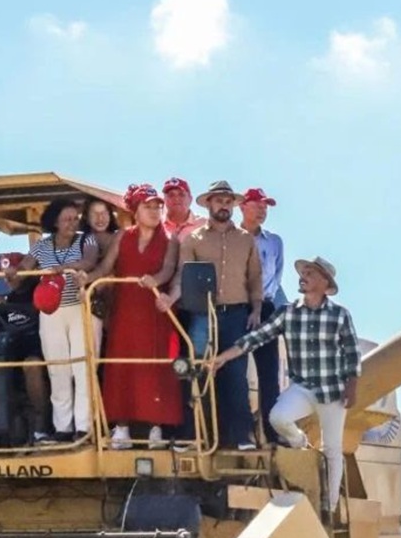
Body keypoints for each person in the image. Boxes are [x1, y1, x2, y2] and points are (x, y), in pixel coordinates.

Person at [212, 257, 360, 509]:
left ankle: (330, 505)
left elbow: (352, 352)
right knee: (277, 417)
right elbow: (255, 338)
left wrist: (352, 385)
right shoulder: (288, 313)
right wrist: (223, 357)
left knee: (333, 449)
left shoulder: (339, 315)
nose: (303, 276)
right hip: (302, 388)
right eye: (303, 272)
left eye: (310, 273)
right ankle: (300, 442)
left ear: (325, 283)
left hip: (332, 390)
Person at [159, 181, 262, 450]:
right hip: (202, 313)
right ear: (209, 204)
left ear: (233, 205)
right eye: (219, 201)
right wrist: (171, 297)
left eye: (228, 202)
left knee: (236, 374)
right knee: (196, 371)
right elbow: (182, 274)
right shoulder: (194, 240)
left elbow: (254, 278)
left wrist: (257, 309)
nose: (224, 206)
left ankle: (241, 436)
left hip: (237, 313)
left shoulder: (245, 239)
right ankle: (192, 434)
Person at [83, 184, 182, 450]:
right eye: (148, 206)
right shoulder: (122, 237)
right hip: (125, 310)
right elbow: (105, 268)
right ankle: (122, 427)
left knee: (156, 366)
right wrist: (87, 279)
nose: (155, 210)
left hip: (154, 310)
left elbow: (169, 269)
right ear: (135, 211)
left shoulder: (171, 239)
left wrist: (156, 280)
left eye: (157, 206)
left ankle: (155, 428)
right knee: (121, 367)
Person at [5, 197, 100, 443]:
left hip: (79, 308)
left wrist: (66, 267)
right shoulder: (41, 246)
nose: (72, 223)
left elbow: (90, 261)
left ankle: (83, 426)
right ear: (54, 222)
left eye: (75, 218)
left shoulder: (85, 240)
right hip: (51, 313)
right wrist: (13, 276)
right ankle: (62, 427)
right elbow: (25, 270)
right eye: (67, 219)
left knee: (82, 368)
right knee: (58, 369)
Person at [0, 271, 49, 443]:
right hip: (6, 348)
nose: (10, 279)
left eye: (14, 274)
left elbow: (36, 310)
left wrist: (8, 306)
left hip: (32, 346)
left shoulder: (38, 294)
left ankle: (41, 425)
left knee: (32, 365)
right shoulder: (2, 297)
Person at [239, 186, 286, 445]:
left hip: (265, 307)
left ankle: (271, 430)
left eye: (265, 206)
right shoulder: (231, 237)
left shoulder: (275, 241)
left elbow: (276, 278)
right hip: (236, 305)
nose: (262, 210)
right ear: (242, 207)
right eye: (257, 205)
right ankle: (242, 429)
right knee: (236, 372)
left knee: (269, 373)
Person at [161, 177, 206, 242]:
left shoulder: (205, 225)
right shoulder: (156, 225)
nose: (176, 199)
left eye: (181, 195)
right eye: (171, 195)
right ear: (164, 200)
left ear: (190, 199)